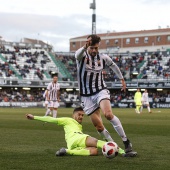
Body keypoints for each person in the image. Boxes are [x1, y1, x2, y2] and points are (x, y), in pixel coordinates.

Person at [75, 34, 136, 155]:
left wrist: (121, 79)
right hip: (86, 96)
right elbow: (77, 55)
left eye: (96, 48)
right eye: (91, 47)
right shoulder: (82, 56)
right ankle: (114, 146)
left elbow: (113, 65)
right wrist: (85, 46)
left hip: (100, 90)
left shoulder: (103, 57)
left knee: (108, 114)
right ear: (88, 46)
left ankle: (126, 142)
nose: (93, 50)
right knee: (99, 127)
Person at [26, 107, 137, 157]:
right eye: (79, 115)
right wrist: (34, 117)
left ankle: (68, 151)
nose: (81, 117)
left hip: (71, 144)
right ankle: (123, 152)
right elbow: (51, 119)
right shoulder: (68, 120)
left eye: (82, 115)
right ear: (73, 115)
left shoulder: (78, 126)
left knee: (94, 152)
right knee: (97, 142)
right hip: (78, 138)